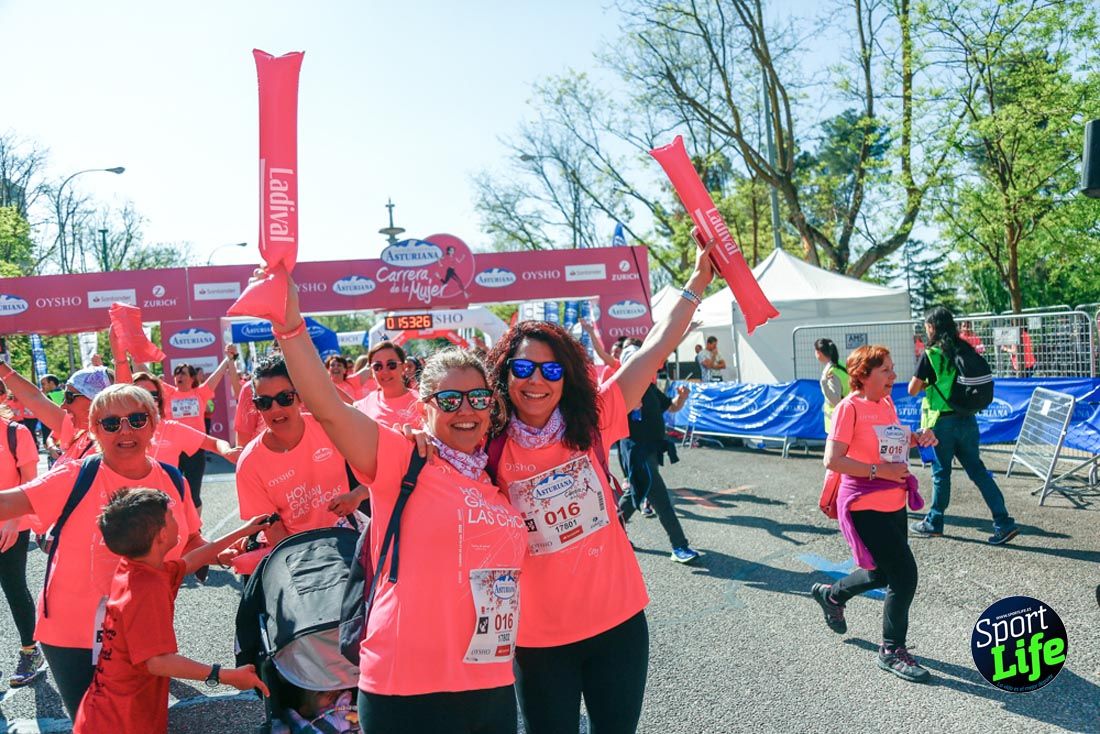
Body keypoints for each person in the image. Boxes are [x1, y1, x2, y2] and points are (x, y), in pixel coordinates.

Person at [266, 268, 526, 734]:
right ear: (423, 406)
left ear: (492, 405)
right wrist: (290, 327)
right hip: (406, 685)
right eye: (449, 400)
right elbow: (327, 407)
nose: (466, 410)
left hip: (491, 684)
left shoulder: (495, 477)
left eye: (477, 398)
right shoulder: (402, 458)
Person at [482, 234, 717, 734]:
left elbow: (655, 348)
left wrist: (697, 280)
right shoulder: (486, 446)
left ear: (566, 376)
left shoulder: (592, 420)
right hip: (539, 640)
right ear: (505, 374)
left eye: (550, 369)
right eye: (523, 368)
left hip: (618, 623)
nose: (536, 380)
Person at [0, 384, 203, 719]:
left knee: (140, 721)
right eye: (111, 423)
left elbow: (192, 540)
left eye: (137, 420)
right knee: (94, 723)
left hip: (142, 632)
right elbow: (7, 503)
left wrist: (234, 550)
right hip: (72, 634)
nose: (125, 430)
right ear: (94, 429)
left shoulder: (172, 479)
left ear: (153, 423)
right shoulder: (75, 475)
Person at [72, 488, 268, 734]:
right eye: (172, 516)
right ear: (163, 535)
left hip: (105, 711)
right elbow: (158, 662)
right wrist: (226, 675)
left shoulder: (136, 567)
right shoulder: (147, 588)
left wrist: (243, 531)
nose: (178, 521)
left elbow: (189, 562)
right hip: (121, 721)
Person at [810, 345, 937, 684]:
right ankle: (891, 650)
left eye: (892, 369)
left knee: (881, 574)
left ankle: (832, 595)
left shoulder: (886, 403)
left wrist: (917, 437)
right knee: (904, 576)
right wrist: (879, 471)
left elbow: (890, 442)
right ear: (863, 375)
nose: (894, 375)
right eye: (886, 370)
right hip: (863, 504)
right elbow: (833, 460)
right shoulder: (848, 408)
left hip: (894, 501)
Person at [909, 307, 1020, 545]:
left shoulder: (931, 354)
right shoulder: (964, 349)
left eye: (927, 326)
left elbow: (912, 389)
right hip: (967, 418)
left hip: (940, 423)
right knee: (978, 472)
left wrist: (929, 383)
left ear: (932, 327)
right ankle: (1003, 522)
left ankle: (934, 521)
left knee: (941, 473)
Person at [234, 354, 365, 538]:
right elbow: (273, 532)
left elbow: (382, 468)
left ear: (299, 396)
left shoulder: (329, 427)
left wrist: (357, 496)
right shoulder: (249, 464)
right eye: (264, 402)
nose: (275, 409)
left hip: (348, 536)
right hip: (295, 550)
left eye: (284, 398)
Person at [614, 345, 697, 562]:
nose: (642, 365)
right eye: (636, 361)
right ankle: (679, 546)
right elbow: (610, 418)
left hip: (651, 450)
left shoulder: (648, 387)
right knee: (661, 501)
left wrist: (682, 397)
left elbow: (672, 407)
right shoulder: (622, 389)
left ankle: (611, 536)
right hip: (637, 453)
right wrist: (630, 405)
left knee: (634, 496)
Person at [0, 381, 45, 686]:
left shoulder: (16, 433)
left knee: (14, 587)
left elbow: (30, 484)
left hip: (10, 526)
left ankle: (30, 651)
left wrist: (12, 520)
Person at [0, 363, 109, 468]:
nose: (63, 406)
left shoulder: (112, 445)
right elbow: (34, 398)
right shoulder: (76, 429)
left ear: (96, 400)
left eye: (69, 397)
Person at [131, 372, 241, 468]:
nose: (147, 399)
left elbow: (215, 443)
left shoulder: (171, 428)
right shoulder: (121, 429)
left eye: (153, 395)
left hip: (189, 453)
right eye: (139, 394)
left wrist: (227, 451)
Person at [353, 341, 420, 429]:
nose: (385, 371)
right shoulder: (362, 406)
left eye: (391, 365)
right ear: (372, 371)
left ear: (403, 367)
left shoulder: (422, 401)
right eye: (377, 366)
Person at [815, 338, 850, 433]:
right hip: (846, 416)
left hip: (837, 421)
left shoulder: (831, 372)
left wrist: (823, 383)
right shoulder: (841, 365)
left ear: (819, 353)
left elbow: (835, 400)